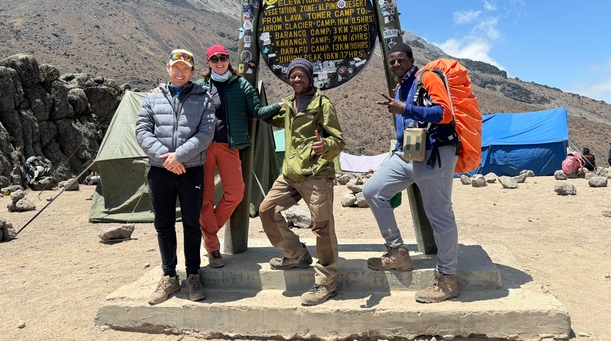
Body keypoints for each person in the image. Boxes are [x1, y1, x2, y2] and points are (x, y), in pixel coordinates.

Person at [362, 42, 460, 303]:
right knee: (373, 191)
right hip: (407, 152)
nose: (396, 65)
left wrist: (406, 108)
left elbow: (445, 113)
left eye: (401, 60)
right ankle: (397, 252)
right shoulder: (400, 85)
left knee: (439, 214)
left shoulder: (427, 77)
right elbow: (405, 123)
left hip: (435, 152)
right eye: (392, 61)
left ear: (411, 59)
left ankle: (447, 279)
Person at [258, 58, 345, 306]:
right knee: (267, 210)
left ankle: (327, 282)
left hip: (316, 174)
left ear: (309, 78)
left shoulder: (322, 104)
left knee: (322, 227)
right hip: (290, 173)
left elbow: (338, 140)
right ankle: (296, 254)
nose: (297, 79)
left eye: (301, 75)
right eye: (293, 76)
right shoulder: (288, 104)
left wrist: (324, 145)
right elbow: (272, 118)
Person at [135, 49, 215, 305]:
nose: (180, 72)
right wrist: (165, 158)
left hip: (190, 170)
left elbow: (206, 133)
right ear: (167, 68)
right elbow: (142, 130)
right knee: (164, 225)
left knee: (192, 224)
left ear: (192, 72)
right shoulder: (152, 98)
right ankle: (169, 275)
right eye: (176, 67)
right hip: (160, 171)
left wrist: (178, 156)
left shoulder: (203, 99)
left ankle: (193, 274)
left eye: (186, 69)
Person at [197, 44, 281, 268]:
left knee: (236, 192)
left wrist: (281, 105)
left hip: (229, 145)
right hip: (203, 147)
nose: (219, 62)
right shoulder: (199, 86)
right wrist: (161, 91)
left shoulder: (241, 84)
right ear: (208, 62)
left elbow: (257, 111)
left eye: (223, 57)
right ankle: (213, 249)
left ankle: (208, 232)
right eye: (214, 59)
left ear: (228, 59)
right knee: (204, 198)